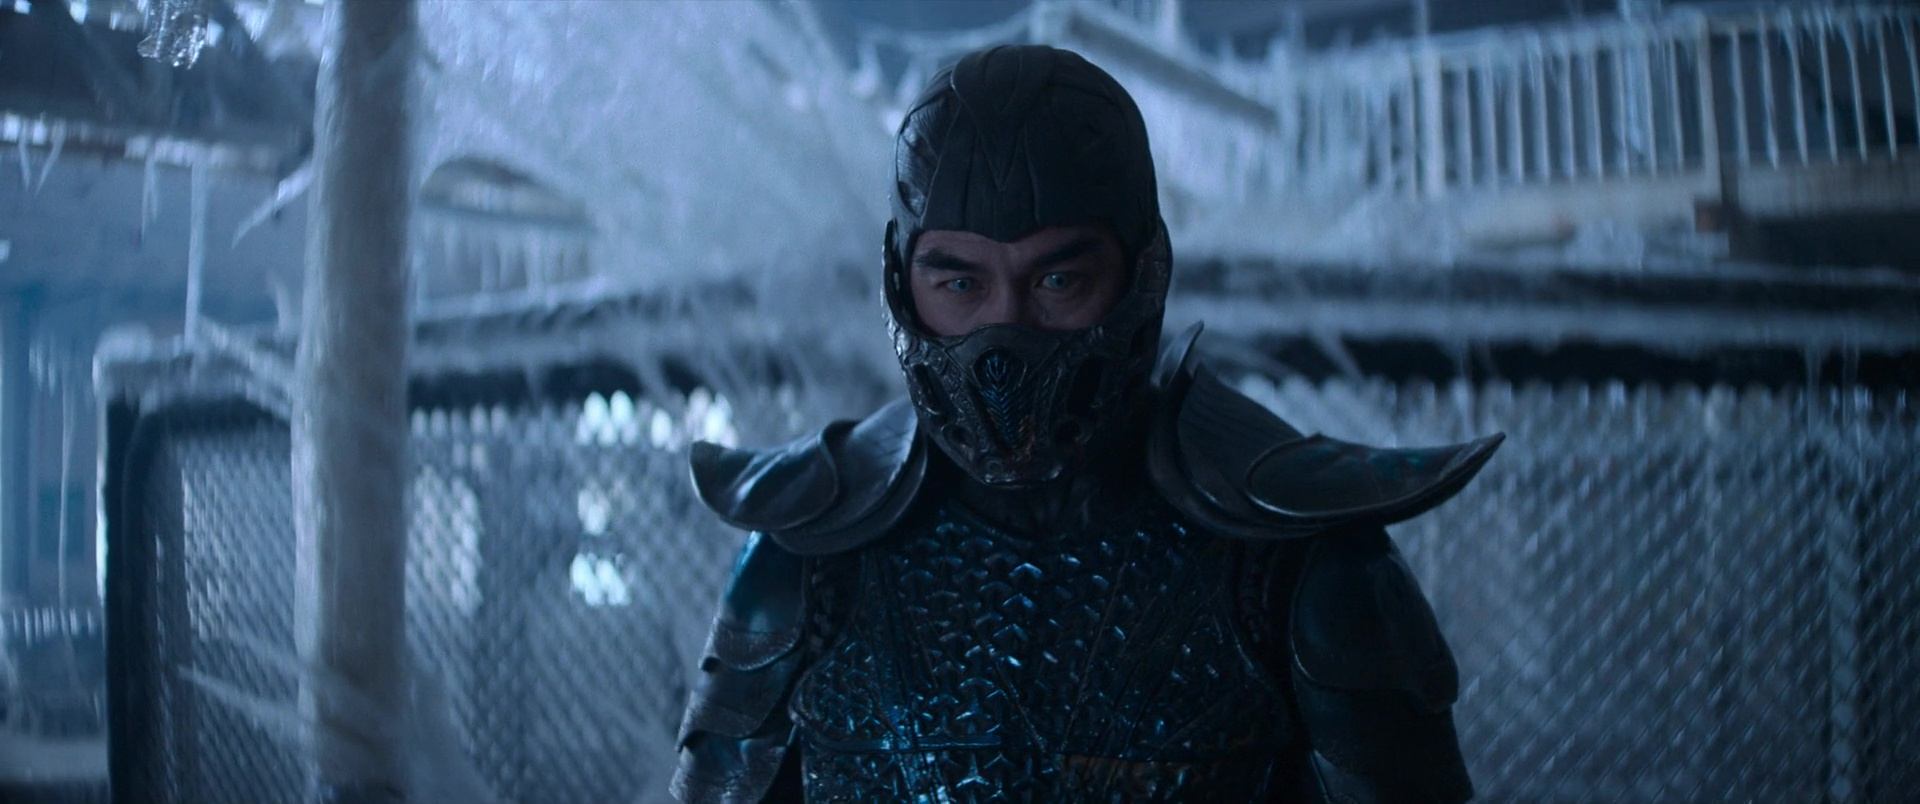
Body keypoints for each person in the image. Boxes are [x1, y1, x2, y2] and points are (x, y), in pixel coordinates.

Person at [670, 44, 1500, 802]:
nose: (1004, 337)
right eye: (960, 284)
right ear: (902, 281)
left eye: (1057, 281)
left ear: (1143, 272)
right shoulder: (810, 558)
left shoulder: (1296, 561)